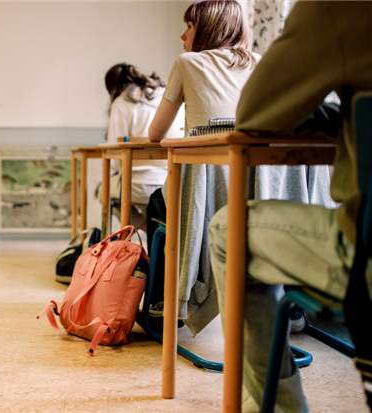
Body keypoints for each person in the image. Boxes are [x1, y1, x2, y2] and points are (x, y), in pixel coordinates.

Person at [208, 0, 372, 410]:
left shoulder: (338, 8)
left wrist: (331, 110)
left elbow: (254, 113)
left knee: (227, 230)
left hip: (365, 258)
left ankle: (279, 405)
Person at [146, 0, 335, 336]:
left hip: (209, 202)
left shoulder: (187, 63)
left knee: (157, 204)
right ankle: (280, 296)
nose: (182, 35)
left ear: (207, 28)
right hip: (263, 197)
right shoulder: (259, 64)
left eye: (189, 26)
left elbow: (155, 134)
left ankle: (167, 305)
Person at [102, 63, 183, 231]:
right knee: (153, 203)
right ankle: (157, 231)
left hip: (134, 184)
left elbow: (116, 160)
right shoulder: (166, 94)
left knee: (103, 191)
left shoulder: (121, 101)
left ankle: (145, 228)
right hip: (169, 182)